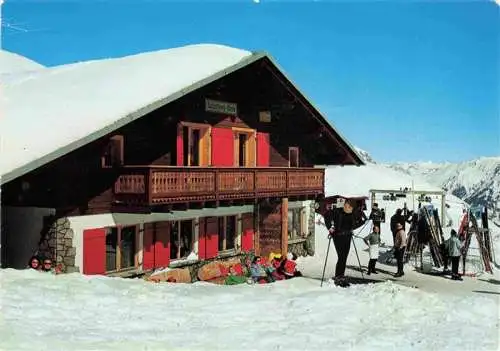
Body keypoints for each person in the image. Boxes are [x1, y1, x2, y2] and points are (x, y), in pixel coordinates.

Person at [324, 198, 366, 288]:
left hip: (347, 237)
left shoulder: (352, 214)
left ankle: (340, 276)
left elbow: (354, 225)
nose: (348, 207)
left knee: (344, 257)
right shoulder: (337, 211)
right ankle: (339, 277)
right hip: (338, 237)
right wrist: (330, 228)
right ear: (344, 205)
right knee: (341, 256)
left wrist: (363, 221)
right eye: (347, 205)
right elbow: (326, 215)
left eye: (350, 206)